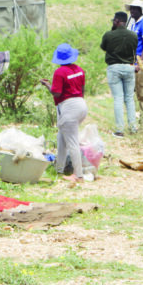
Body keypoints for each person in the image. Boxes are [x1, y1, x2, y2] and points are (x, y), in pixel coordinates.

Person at [40, 43, 88, 183]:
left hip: (68, 107)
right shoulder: (79, 70)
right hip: (81, 104)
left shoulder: (60, 72)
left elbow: (56, 92)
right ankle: (59, 168)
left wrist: (47, 85)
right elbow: (83, 89)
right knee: (62, 137)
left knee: (72, 142)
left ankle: (78, 175)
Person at [100, 11, 139, 137]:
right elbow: (134, 49)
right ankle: (133, 127)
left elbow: (104, 47)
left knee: (118, 98)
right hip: (129, 67)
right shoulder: (133, 35)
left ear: (116, 21)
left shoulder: (108, 35)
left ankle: (119, 129)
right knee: (129, 98)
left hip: (114, 68)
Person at [126, 0, 143, 125]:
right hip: (133, 61)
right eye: (131, 8)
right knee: (135, 93)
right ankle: (138, 120)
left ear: (141, 11)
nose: (132, 11)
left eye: (135, 9)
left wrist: (140, 63)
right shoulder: (133, 24)